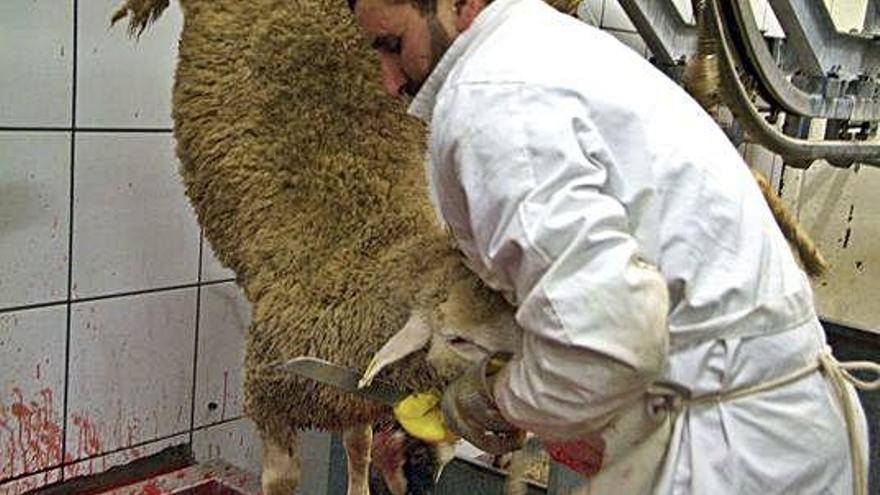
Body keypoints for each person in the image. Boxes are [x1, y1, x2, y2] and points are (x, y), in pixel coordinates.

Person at [350, 0, 875, 492]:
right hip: (759, 420)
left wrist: (496, 400)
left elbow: (600, 338)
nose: (389, 82)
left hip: (732, 452)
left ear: (459, 3)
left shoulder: (492, 98)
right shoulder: (542, 53)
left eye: (393, 46)